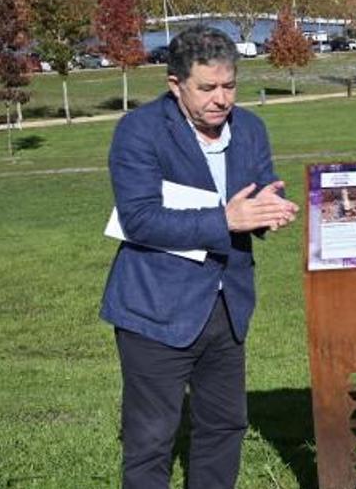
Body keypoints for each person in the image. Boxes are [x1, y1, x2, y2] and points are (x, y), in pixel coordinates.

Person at [100, 24, 299, 488]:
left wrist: (269, 212)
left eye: (229, 86)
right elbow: (140, 219)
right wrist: (227, 219)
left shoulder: (250, 128)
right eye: (206, 88)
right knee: (150, 439)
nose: (221, 99)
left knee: (224, 427)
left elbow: (259, 190)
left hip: (227, 306)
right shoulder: (139, 131)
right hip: (155, 309)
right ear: (175, 85)